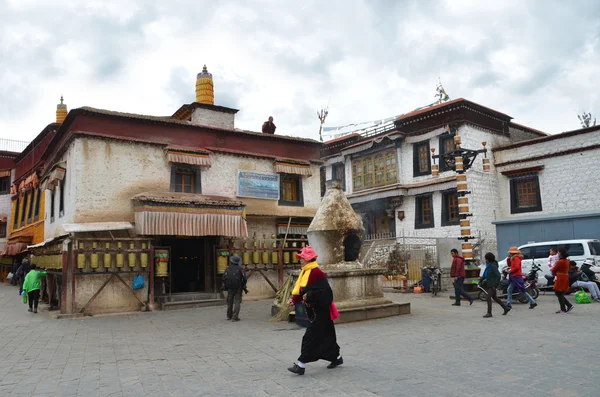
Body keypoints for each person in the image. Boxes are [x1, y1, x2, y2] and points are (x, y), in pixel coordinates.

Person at [287, 246, 342, 375]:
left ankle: (301, 365)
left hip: (320, 311)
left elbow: (325, 292)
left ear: (308, 259)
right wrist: (294, 300)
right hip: (314, 310)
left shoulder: (317, 272)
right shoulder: (305, 272)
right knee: (327, 336)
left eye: (302, 258)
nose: (300, 260)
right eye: (300, 258)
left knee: (309, 337)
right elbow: (303, 290)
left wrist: (310, 296)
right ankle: (337, 358)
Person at [480, 253, 510, 318]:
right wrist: (480, 280)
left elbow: (498, 275)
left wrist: (495, 285)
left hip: (492, 285)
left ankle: (489, 313)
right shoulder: (489, 265)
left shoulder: (493, 266)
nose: (485, 260)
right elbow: (486, 275)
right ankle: (505, 308)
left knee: (488, 297)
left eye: (486, 259)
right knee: (495, 298)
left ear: (489, 259)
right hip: (490, 284)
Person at [221, 256, 247, 322]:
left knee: (230, 302)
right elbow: (245, 278)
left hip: (230, 288)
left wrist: (226, 285)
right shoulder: (241, 269)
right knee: (237, 301)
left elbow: (223, 278)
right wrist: (243, 285)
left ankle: (229, 316)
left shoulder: (227, 268)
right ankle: (235, 317)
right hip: (238, 287)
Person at [551, 248, 573, 314]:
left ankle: (563, 309)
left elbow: (553, 269)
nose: (557, 254)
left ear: (560, 253)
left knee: (558, 292)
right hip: (565, 277)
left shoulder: (560, 261)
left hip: (560, 277)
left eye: (558, 252)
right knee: (559, 293)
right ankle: (568, 305)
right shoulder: (566, 261)